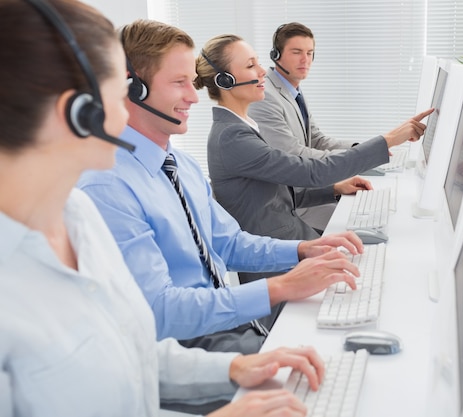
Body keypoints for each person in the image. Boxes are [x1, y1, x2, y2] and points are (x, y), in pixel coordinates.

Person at [0, 0, 325, 415]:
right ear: (79, 114)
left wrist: (234, 367)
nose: (126, 110)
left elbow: (128, 353)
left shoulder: (77, 216)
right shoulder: (99, 194)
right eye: (118, 92)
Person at [77, 19, 365, 356]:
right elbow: (159, 310)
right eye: (179, 82)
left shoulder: (182, 166)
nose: (193, 97)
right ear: (133, 89)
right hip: (187, 349)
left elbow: (228, 243)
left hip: (228, 327)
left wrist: (302, 250)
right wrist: (281, 286)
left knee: (338, 344)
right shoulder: (107, 185)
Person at [194, 34, 433, 284]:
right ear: (224, 80)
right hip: (275, 260)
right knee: (381, 271)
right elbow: (311, 171)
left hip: (289, 239)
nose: (263, 70)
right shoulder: (232, 137)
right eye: (251, 65)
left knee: (380, 262)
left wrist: (333, 189)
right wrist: (390, 139)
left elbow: (271, 196)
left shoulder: (240, 127)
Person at [245, 22, 369, 231]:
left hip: (309, 192)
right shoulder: (265, 96)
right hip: (291, 205)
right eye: (297, 52)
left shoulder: (293, 91)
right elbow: (292, 153)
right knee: (356, 226)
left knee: (366, 216)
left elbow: (317, 139)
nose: (306, 60)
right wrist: (353, 159)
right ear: (276, 55)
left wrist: (360, 148)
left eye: (310, 53)